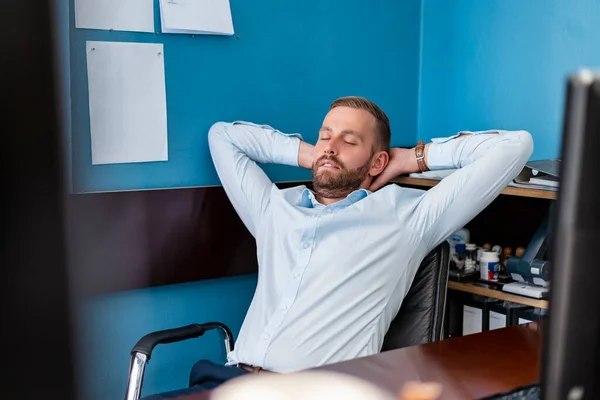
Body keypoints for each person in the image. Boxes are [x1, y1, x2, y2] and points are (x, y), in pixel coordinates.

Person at [190, 96, 533, 392]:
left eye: (348, 141)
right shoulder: (273, 207)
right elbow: (223, 136)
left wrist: (411, 158)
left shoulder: (407, 219)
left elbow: (513, 147)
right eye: (324, 136)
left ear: (377, 162)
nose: (330, 146)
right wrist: (316, 155)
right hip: (231, 380)